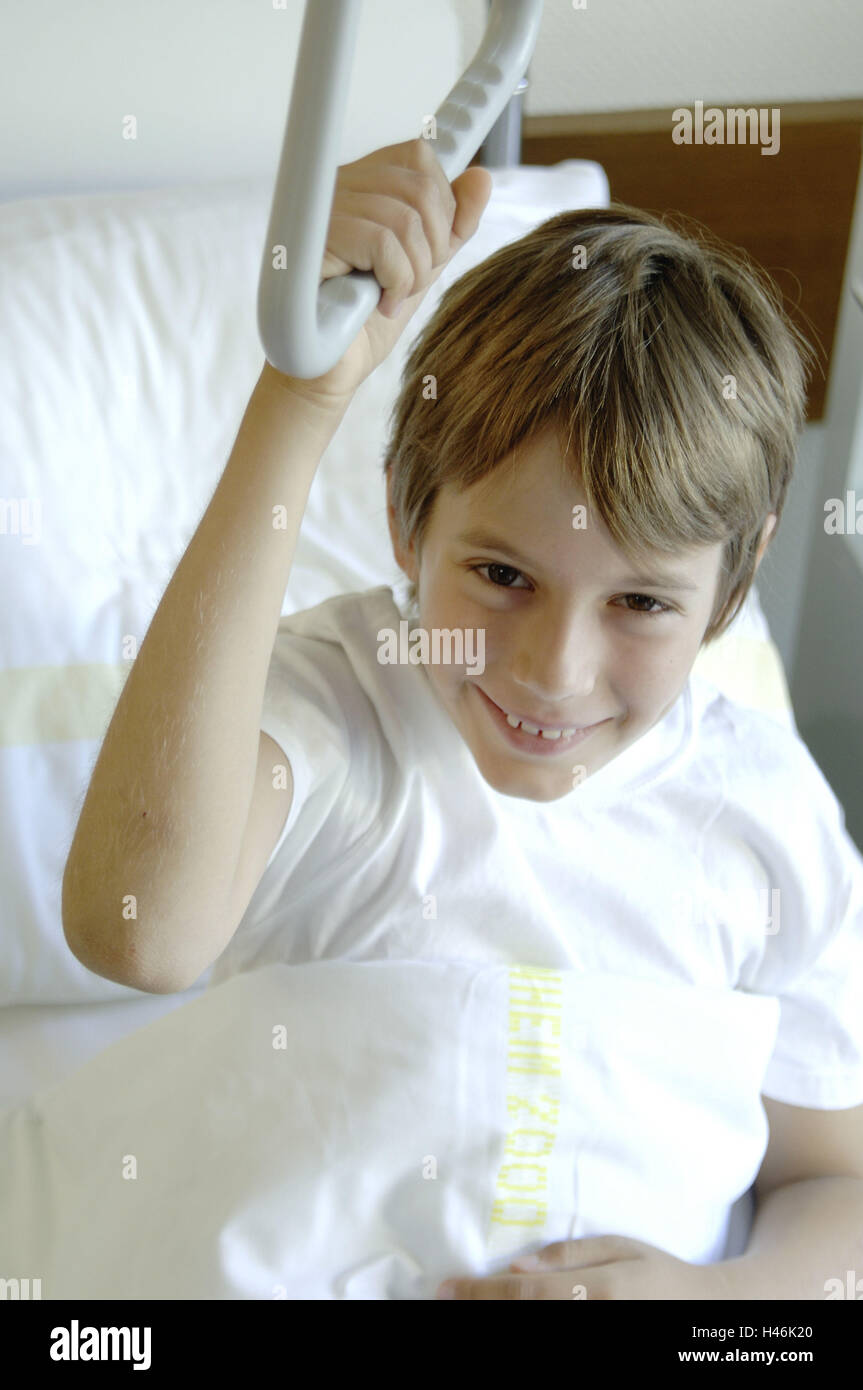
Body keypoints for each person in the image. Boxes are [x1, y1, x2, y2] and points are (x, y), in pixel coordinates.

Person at [62, 137, 863, 1299]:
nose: (549, 671)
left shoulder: (766, 816)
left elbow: (828, 1183)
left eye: (639, 601)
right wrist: (300, 398)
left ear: (728, 595)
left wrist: (710, 1302)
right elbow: (135, 929)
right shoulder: (339, 703)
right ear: (404, 520)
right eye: (499, 576)